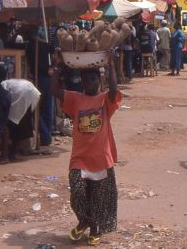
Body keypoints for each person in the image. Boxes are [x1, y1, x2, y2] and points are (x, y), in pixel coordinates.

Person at [50, 50, 121, 246]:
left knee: (98, 197)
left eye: (93, 79)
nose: (90, 82)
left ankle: (95, 228)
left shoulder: (105, 100)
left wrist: (112, 65)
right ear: (82, 81)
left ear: (99, 80)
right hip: (79, 158)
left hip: (100, 158)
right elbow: (54, 90)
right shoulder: (74, 99)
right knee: (78, 192)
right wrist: (57, 66)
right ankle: (85, 221)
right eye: (86, 79)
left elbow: (114, 90)